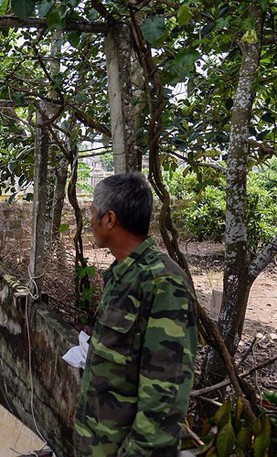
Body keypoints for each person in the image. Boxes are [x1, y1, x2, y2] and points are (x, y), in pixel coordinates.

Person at [74, 173, 198, 457]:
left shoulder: (163, 283)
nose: (89, 221)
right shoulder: (123, 274)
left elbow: (165, 392)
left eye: (93, 212)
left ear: (109, 219)